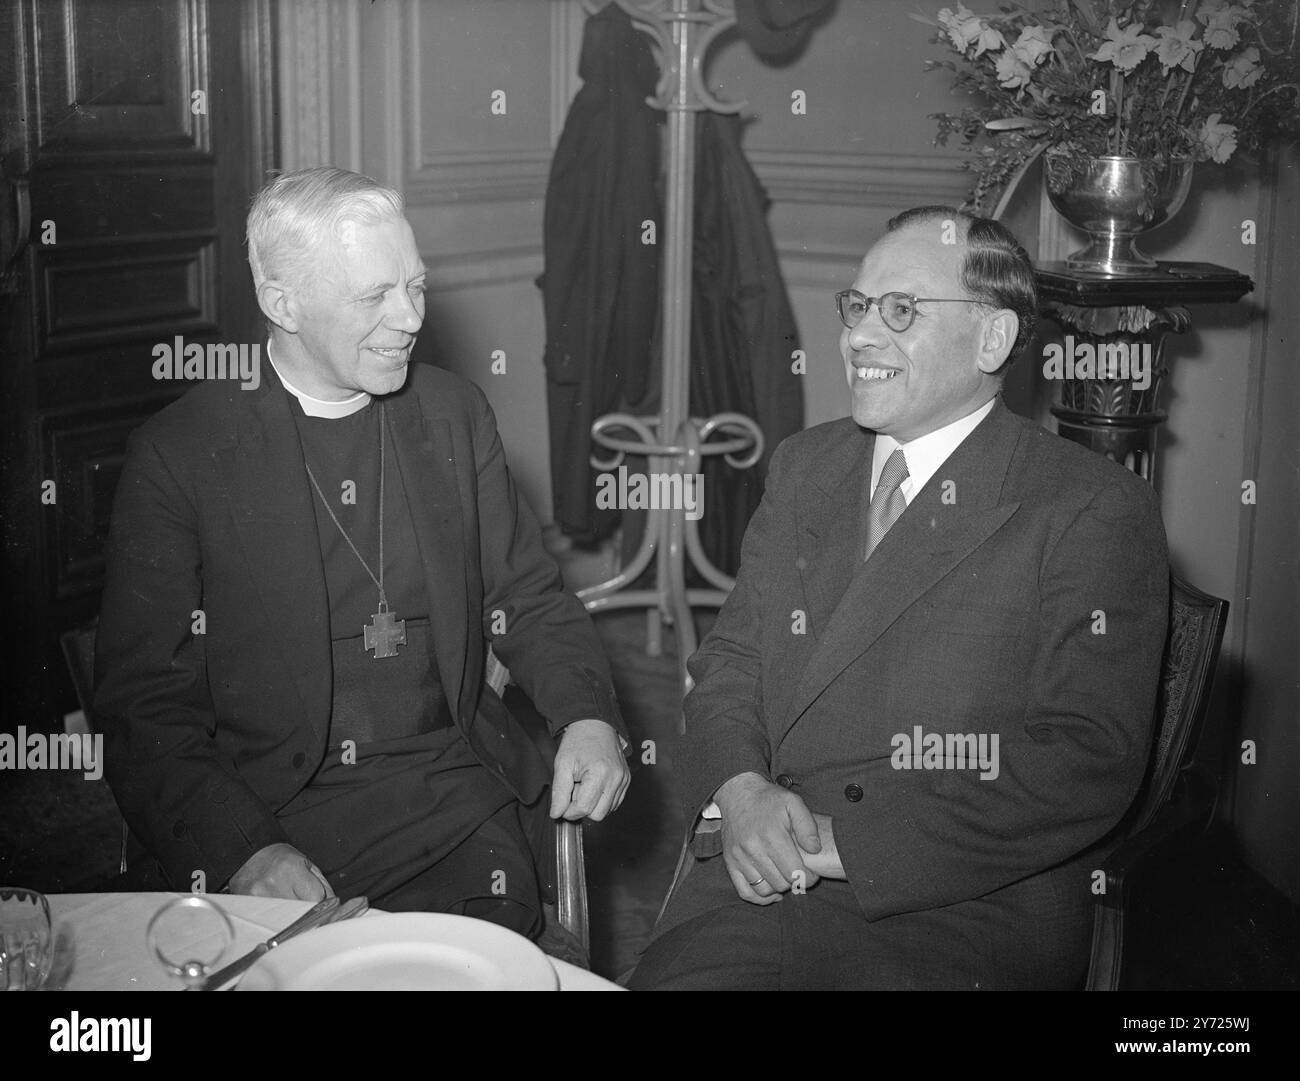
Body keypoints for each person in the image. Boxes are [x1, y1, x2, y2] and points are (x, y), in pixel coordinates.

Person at [629, 206, 1170, 990]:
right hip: (763, 868)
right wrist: (741, 789)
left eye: (902, 310)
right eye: (857, 306)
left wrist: (844, 844)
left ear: (993, 339)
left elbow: (1087, 758)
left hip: (954, 907)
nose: (858, 336)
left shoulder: (1087, 507)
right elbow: (731, 658)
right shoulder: (807, 464)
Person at [95, 167, 630, 942]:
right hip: (274, 814)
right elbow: (143, 706)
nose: (410, 317)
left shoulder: (452, 414)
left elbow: (530, 596)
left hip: (451, 792)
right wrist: (244, 851)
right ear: (282, 302)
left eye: (416, 285)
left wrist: (584, 713)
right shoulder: (182, 455)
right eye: (374, 295)